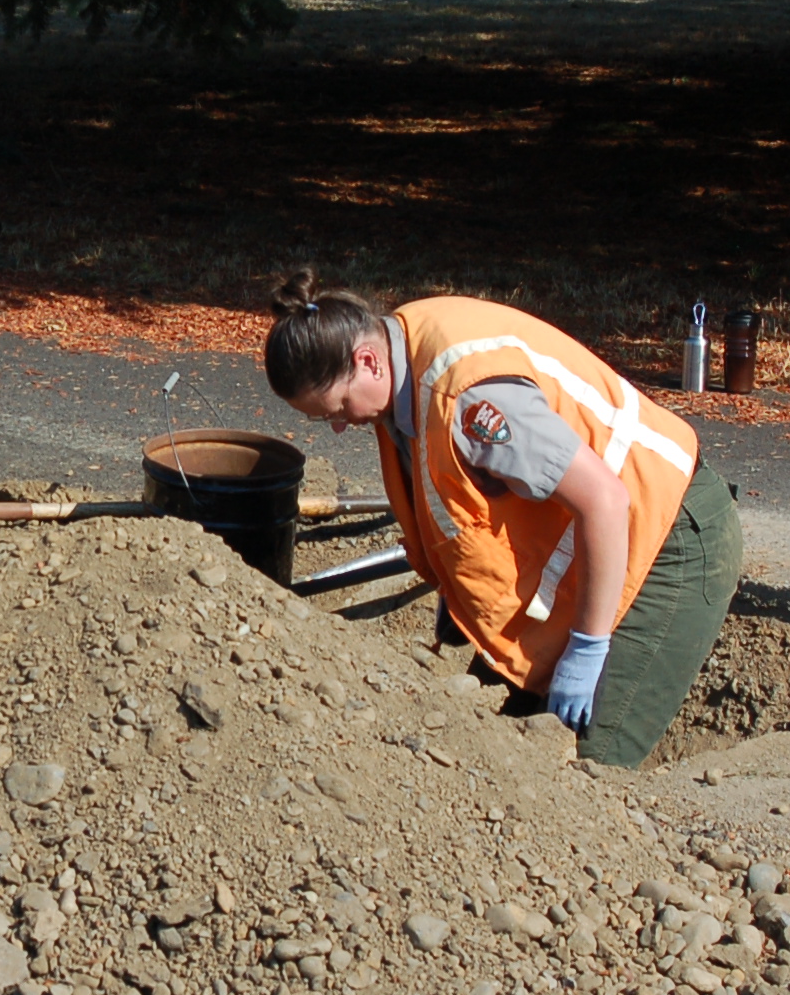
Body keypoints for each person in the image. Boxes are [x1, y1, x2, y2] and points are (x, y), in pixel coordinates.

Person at [264, 274, 740, 768]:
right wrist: (456, 590)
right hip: (600, 547)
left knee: (584, 770)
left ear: (367, 361)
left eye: (338, 408)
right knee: (494, 755)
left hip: (667, 537)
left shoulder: (466, 398)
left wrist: (588, 649)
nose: (341, 425)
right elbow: (460, 495)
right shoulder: (399, 350)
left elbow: (605, 500)